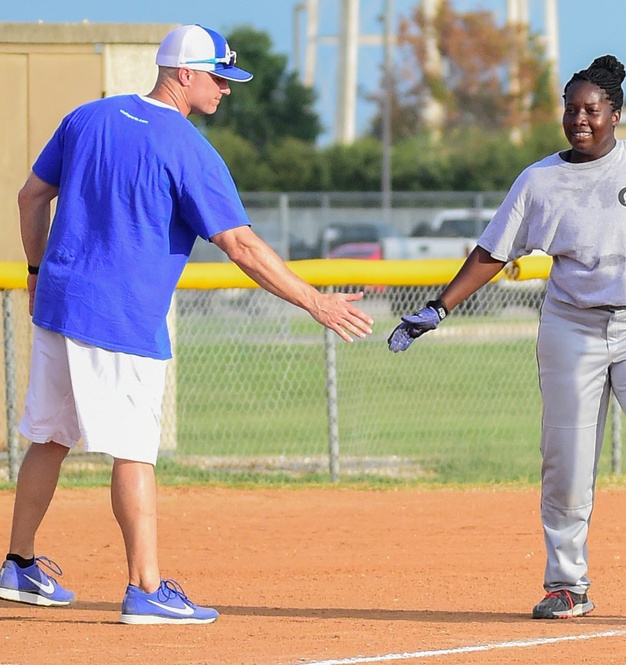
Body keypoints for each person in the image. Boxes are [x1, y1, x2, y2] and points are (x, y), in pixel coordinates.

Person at [0, 24, 373, 625]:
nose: (226, 90)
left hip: (60, 304)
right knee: (134, 452)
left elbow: (29, 196)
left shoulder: (87, 118)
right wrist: (317, 302)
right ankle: (145, 587)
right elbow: (241, 244)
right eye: (218, 77)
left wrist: (38, 270)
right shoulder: (189, 148)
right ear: (184, 74)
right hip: (119, 319)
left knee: (48, 436)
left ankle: (17, 565)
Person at [388, 55, 626, 619]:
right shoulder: (539, 180)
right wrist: (437, 307)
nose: (579, 119)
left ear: (616, 114)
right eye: (571, 109)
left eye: (591, 110)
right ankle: (566, 584)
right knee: (566, 463)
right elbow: (491, 252)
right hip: (570, 328)